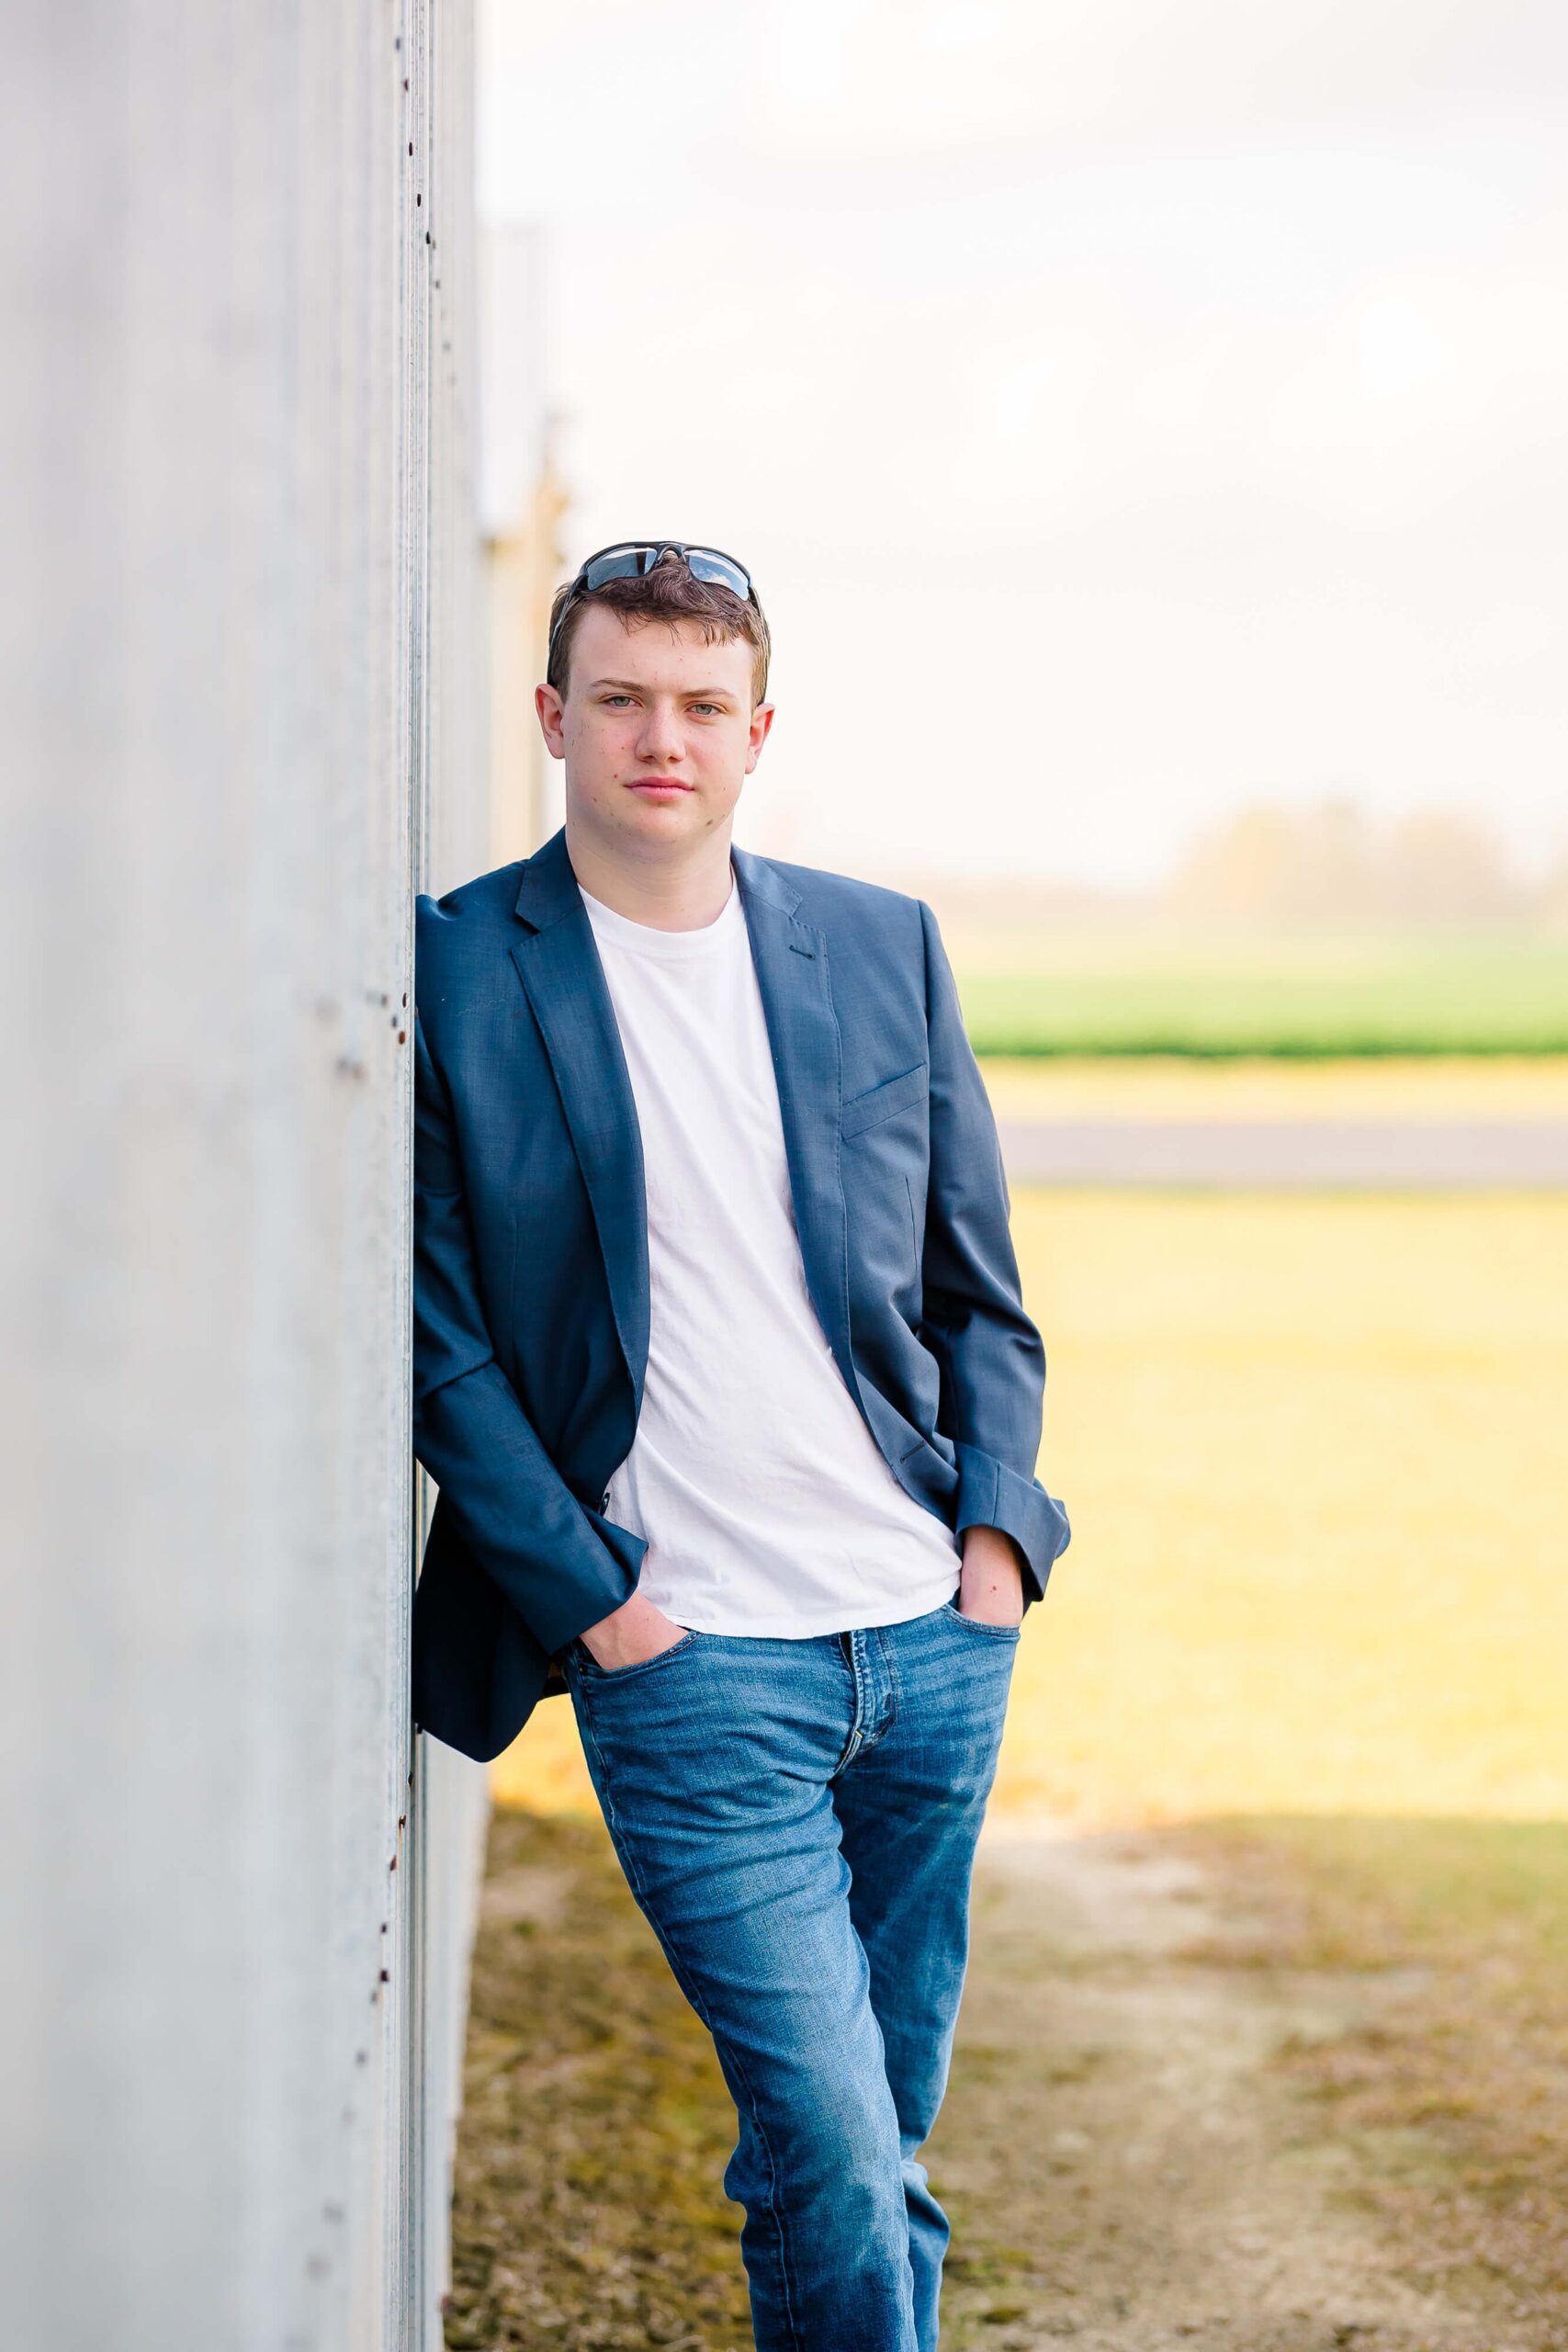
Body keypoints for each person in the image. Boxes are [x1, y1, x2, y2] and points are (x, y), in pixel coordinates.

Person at [410, 539, 1070, 2350]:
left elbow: (975, 1288)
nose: (657, 738)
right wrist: (598, 1601)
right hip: (692, 1664)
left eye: (700, 704)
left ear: (757, 730)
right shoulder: (458, 966)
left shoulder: (879, 944)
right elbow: (443, 1338)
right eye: (617, 696)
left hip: (925, 1642)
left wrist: (990, 1556)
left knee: (872, 2137)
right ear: (551, 714)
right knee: (839, 2143)